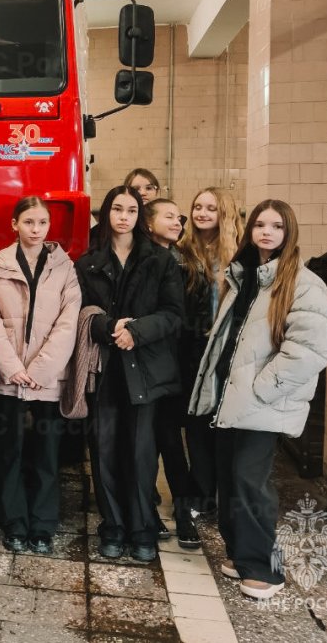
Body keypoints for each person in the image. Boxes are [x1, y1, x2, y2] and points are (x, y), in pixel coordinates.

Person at [188, 200, 327, 600]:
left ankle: (265, 570)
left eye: (277, 226)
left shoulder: (302, 284)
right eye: (260, 225)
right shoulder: (246, 276)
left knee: (250, 484)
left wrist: (261, 390)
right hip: (228, 400)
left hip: (259, 404)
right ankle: (241, 555)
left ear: (290, 233)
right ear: (250, 230)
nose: (267, 232)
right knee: (230, 481)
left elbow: (310, 351)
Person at [75, 186, 183, 563]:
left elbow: (173, 314)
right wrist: (107, 327)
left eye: (132, 210)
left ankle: (141, 529)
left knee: (140, 454)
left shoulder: (160, 261)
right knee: (104, 451)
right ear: (106, 215)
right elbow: (81, 313)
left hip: (145, 368)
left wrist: (135, 332)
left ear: (140, 216)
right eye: (117, 209)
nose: (124, 216)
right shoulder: (88, 262)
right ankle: (113, 527)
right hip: (104, 369)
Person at [0, 197, 81, 553]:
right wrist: (12, 368)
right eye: (28, 222)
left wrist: (40, 369)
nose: (36, 229)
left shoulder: (65, 268)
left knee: (46, 456)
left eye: (42, 222)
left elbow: (68, 321)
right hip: (8, 379)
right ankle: (13, 524)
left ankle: (41, 527)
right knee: (8, 455)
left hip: (47, 378)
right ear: (15, 225)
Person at [177, 187, 244, 515]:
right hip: (194, 348)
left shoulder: (240, 255)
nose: (202, 213)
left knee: (225, 424)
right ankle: (201, 495)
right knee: (198, 424)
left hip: (229, 350)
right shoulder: (183, 251)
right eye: (197, 206)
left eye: (211, 208)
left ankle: (223, 495)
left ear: (224, 215)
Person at [143, 198, 199, 549]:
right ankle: (150, 508)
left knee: (171, 441)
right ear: (149, 223)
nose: (178, 222)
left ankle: (183, 509)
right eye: (169, 216)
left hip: (180, 361)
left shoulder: (185, 260)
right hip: (149, 360)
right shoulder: (143, 259)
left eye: (180, 217)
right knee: (151, 440)